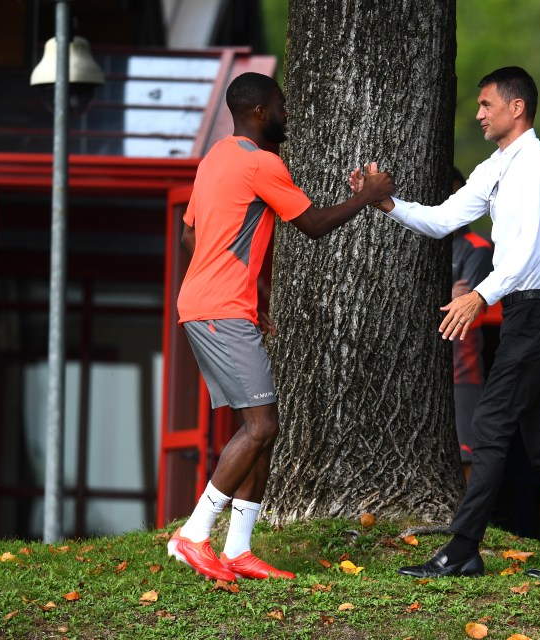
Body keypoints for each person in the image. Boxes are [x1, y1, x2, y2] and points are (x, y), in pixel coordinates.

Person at [356, 66, 540, 586]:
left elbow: (527, 251)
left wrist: (478, 294)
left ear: (517, 108)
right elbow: (442, 218)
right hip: (528, 310)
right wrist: (386, 203)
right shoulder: (494, 168)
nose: (478, 114)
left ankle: (462, 549)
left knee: (491, 427)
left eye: (486, 105)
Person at [168, 72, 394, 582]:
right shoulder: (260, 163)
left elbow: (190, 237)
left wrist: (243, 294)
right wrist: (370, 194)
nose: (287, 115)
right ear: (259, 112)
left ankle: (238, 550)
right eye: (281, 106)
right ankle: (193, 534)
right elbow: (313, 225)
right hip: (221, 310)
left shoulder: (215, 159)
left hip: (212, 306)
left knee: (264, 431)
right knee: (261, 426)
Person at [448, 167, 494, 482]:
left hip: (462, 368)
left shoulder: (477, 247)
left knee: (466, 451)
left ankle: (468, 522)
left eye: (456, 194)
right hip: (418, 367)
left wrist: (455, 302)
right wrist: (446, 298)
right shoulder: (419, 242)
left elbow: (466, 311)